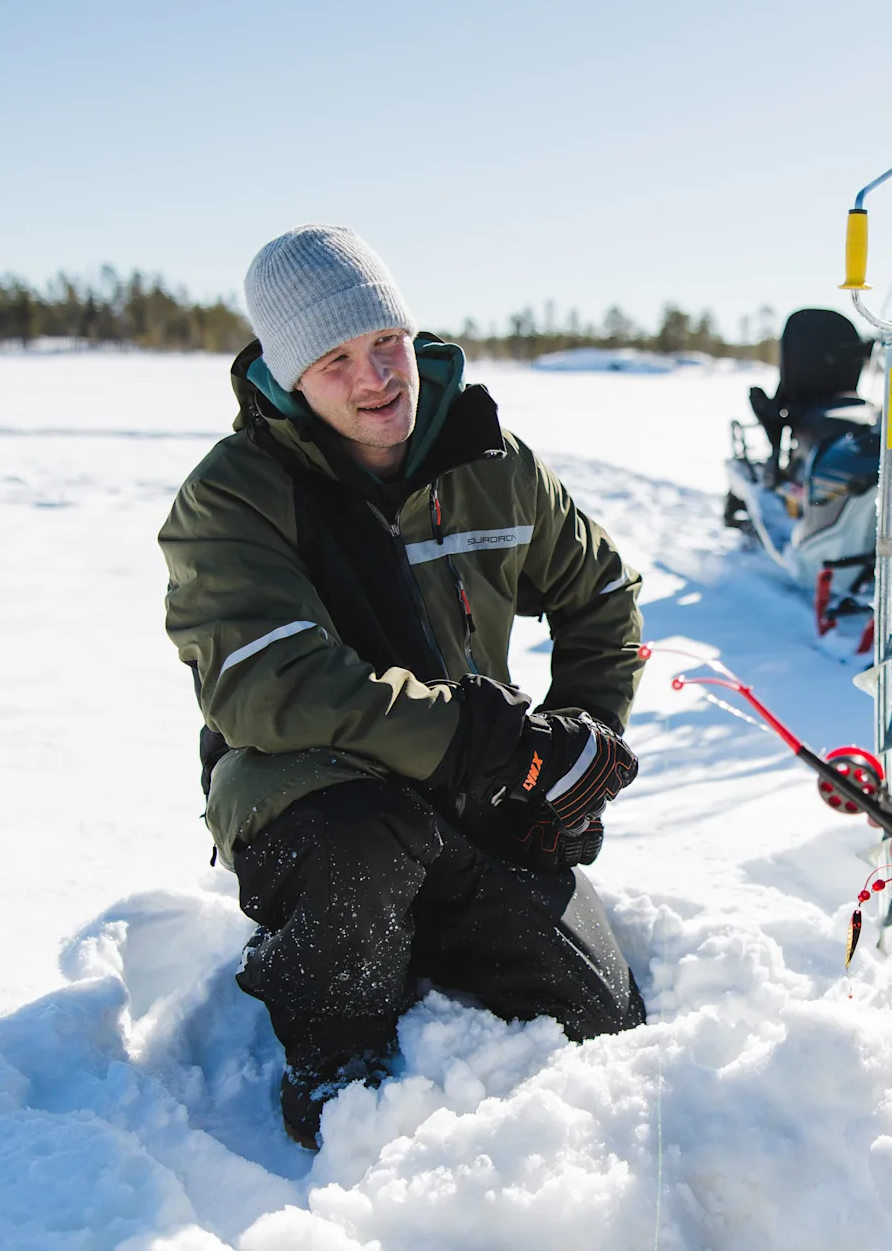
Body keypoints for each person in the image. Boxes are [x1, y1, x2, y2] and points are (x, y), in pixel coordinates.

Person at [159, 225, 648, 1149]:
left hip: (476, 794)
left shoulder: (491, 462)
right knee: (365, 835)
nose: (376, 377)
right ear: (289, 374)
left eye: (385, 343)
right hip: (312, 796)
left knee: (601, 1020)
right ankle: (333, 1057)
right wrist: (482, 740)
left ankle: (429, 925)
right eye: (335, 359)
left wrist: (580, 738)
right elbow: (269, 685)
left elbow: (603, 596)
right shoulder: (234, 496)